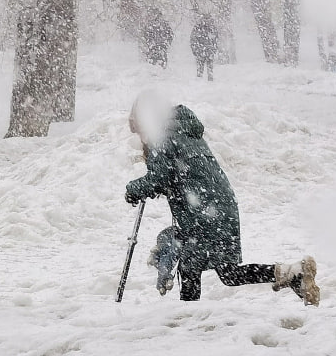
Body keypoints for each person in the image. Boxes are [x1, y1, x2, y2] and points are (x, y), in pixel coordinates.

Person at [124, 92, 319, 305]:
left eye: (139, 128)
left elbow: (160, 177)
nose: (140, 135)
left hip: (203, 209)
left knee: (190, 265)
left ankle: (189, 319)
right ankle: (291, 273)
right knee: (229, 273)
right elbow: (176, 174)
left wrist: (134, 189)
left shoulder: (163, 136)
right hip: (220, 205)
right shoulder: (182, 129)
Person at [189, 13, 219, 81]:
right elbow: (193, 39)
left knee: (207, 67)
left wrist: (214, 48)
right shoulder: (198, 28)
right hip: (202, 50)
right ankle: (201, 79)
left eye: (207, 19)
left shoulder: (211, 28)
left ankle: (207, 79)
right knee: (202, 67)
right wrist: (195, 49)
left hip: (206, 50)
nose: (206, 21)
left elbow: (216, 39)